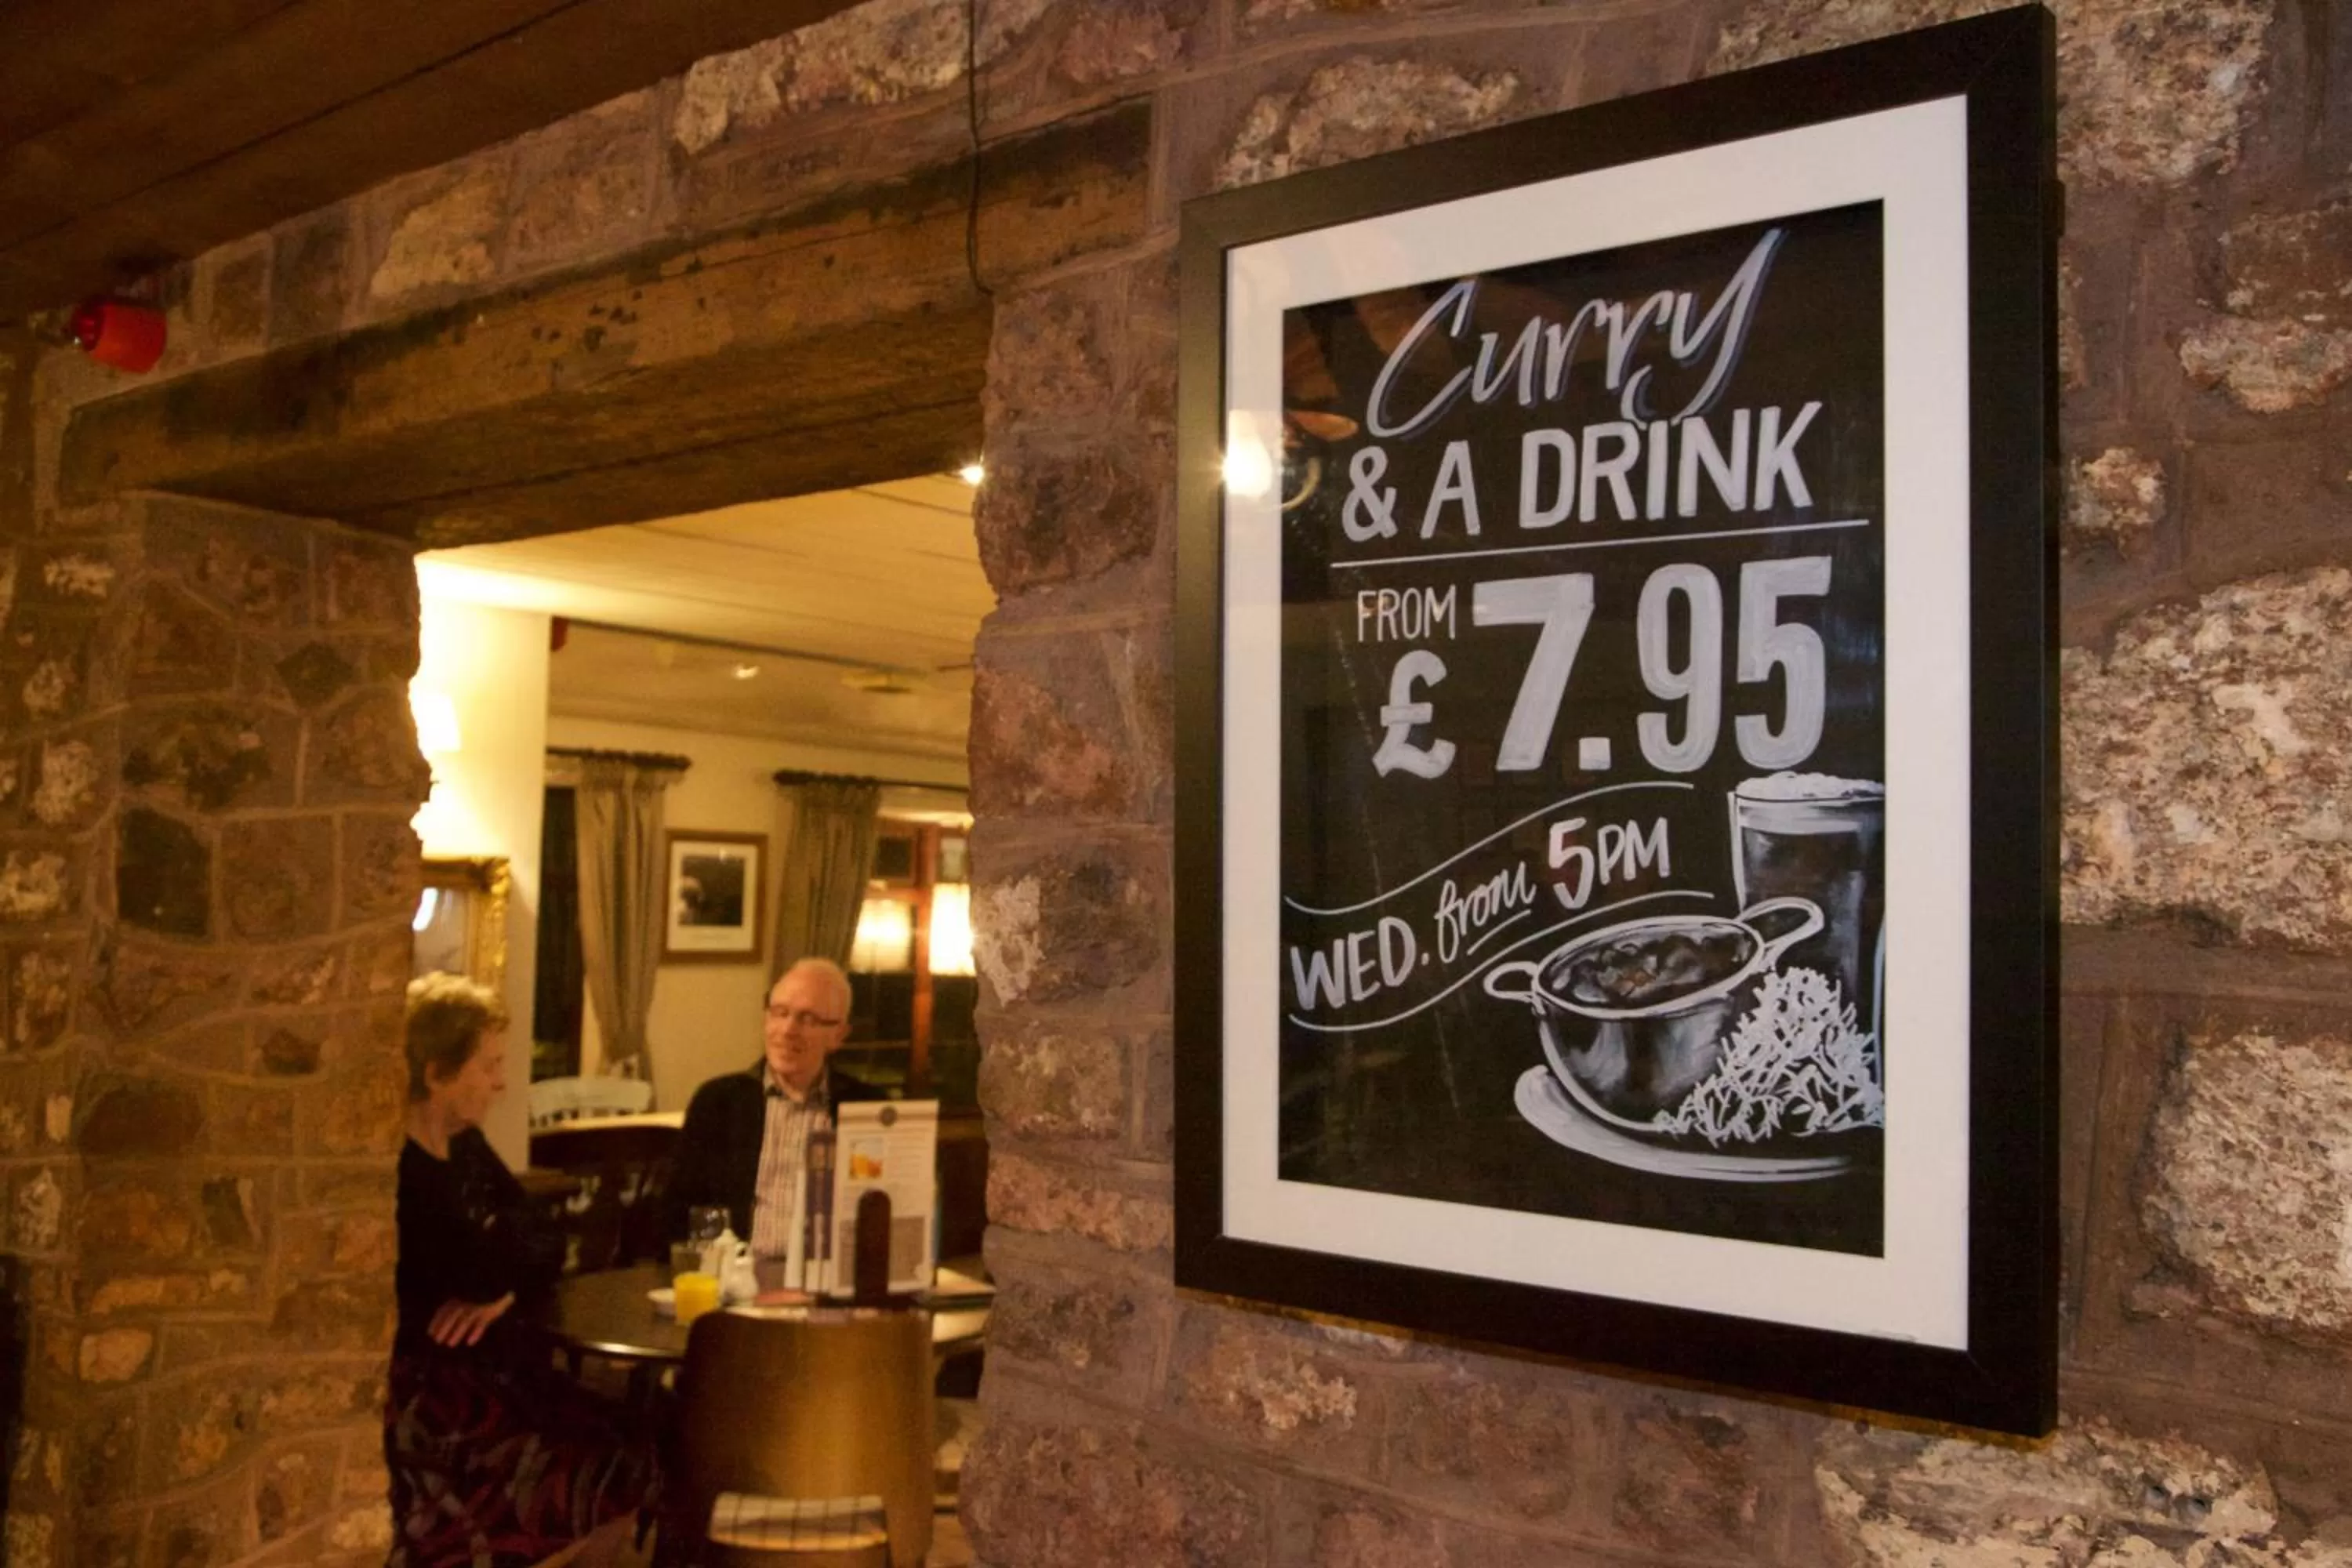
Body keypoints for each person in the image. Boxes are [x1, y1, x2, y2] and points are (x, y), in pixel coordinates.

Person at [388, 971, 654, 1568]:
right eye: (488, 1065)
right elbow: (476, 1268)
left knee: (635, 1438)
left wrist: (503, 1292)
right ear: (436, 1073)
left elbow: (547, 1241)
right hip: (437, 1394)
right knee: (600, 1459)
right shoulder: (403, 1171)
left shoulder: (465, 1147)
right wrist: (503, 1273)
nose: (502, 1082)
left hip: (499, 1370)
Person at [666, 958, 879, 1252]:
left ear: (838, 1035)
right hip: (739, 1273)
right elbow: (678, 1214)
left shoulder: (867, 1107)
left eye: (808, 1019)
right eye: (780, 1013)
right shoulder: (718, 1102)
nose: (788, 1029)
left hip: (830, 1272)